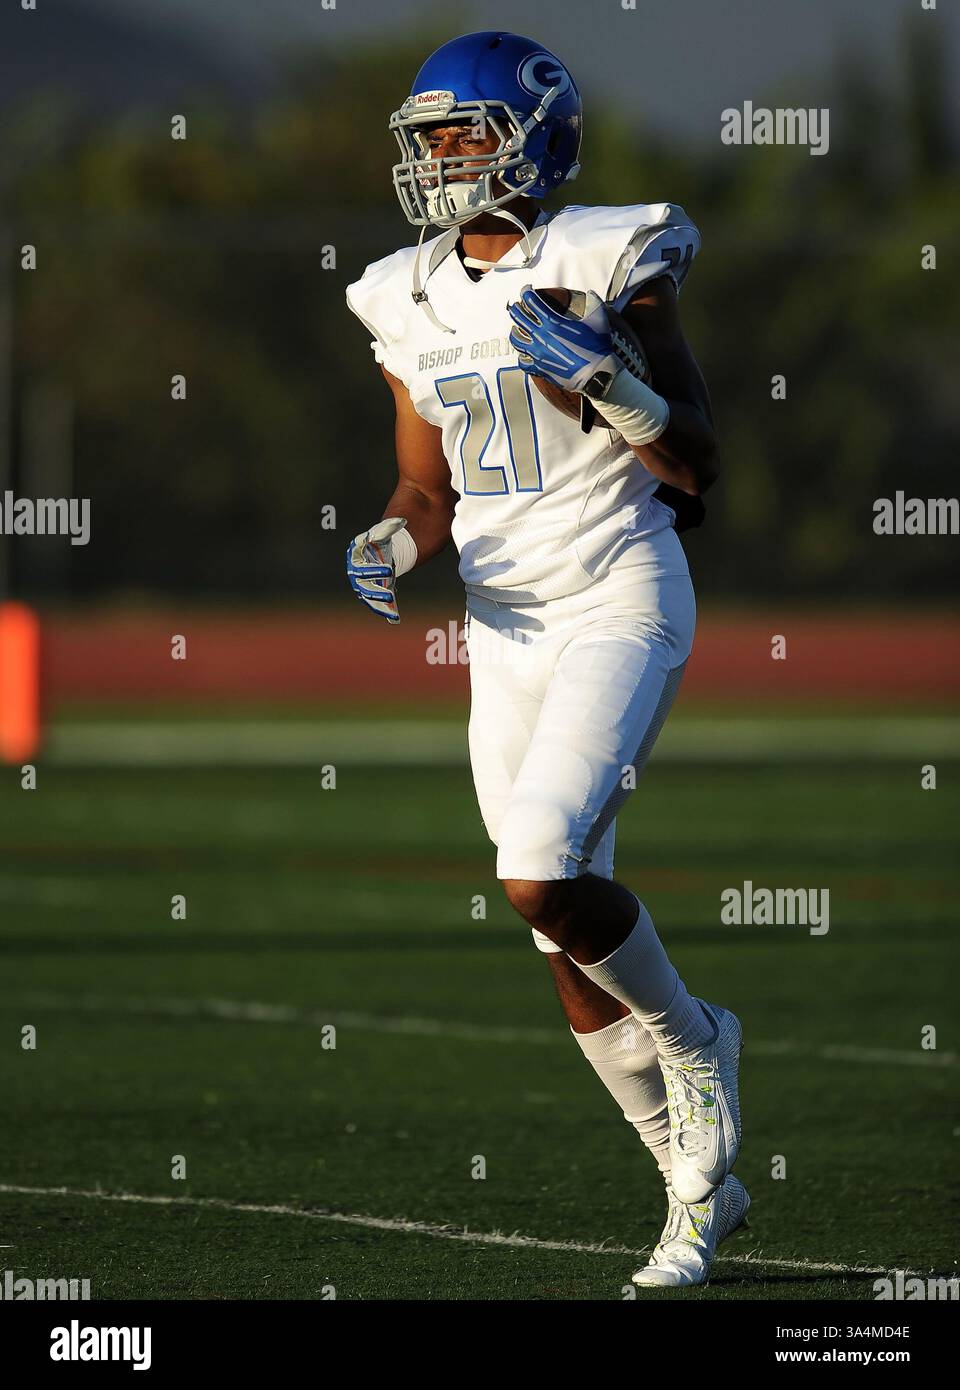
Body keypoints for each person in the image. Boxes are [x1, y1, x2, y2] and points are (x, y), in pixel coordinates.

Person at [345, 29, 747, 1288]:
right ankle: (695, 1191)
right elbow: (425, 486)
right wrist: (392, 542)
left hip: (618, 591)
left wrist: (620, 389)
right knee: (557, 936)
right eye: (431, 138)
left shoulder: (606, 253)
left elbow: (696, 467)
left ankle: (698, 1041)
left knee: (535, 871)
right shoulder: (399, 292)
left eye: (465, 132)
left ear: (535, 137)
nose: (442, 159)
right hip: (503, 628)